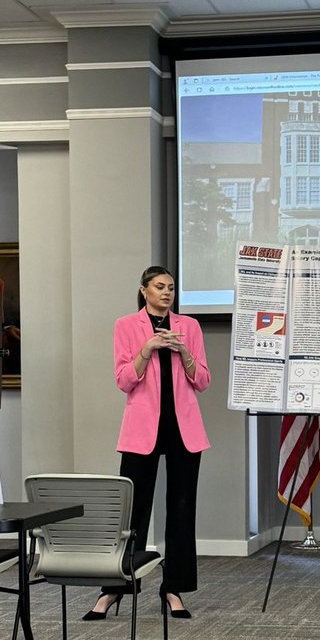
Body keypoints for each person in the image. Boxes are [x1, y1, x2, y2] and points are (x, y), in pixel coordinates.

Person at [85, 266, 210, 621]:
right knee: (133, 511)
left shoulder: (189, 327)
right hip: (142, 430)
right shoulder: (126, 326)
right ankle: (115, 588)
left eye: (171, 287)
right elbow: (124, 380)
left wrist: (184, 353)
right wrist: (147, 348)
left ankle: (174, 589)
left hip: (183, 429)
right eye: (159, 286)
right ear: (144, 290)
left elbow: (203, 381)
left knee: (182, 510)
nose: (167, 292)